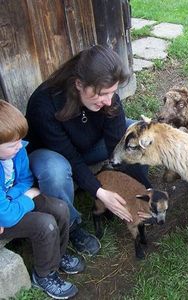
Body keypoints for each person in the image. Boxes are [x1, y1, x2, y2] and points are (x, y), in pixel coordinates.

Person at [25, 45, 151, 256]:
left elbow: (119, 146)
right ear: (79, 84)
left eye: (113, 92)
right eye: (103, 94)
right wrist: (100, 192)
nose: (109, 101)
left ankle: (128, 191)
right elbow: (71, 158)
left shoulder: (108, 100)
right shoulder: (43, 104)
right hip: (52, 155)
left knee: (137, 135)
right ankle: (72, 225)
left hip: (89, 147)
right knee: (55, 170)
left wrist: (147, 194)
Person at [0, 99, 84, 299]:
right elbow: (7, 217)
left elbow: (26, 179)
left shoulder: (17, 151)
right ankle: (44, 275)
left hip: (11, 202)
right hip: (5, 216)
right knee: (44, 224)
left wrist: (13, 196)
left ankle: (57, 255)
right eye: (13, 144)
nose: (20, 147)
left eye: (20, 140)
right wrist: (25, 198)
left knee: (59, 208)